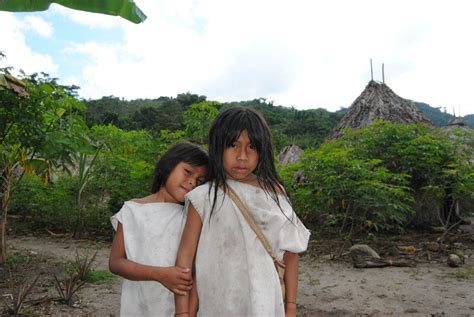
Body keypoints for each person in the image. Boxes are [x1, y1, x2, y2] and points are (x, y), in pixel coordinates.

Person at [175, 108, 310, 317]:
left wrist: (290, 306)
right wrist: (183, 313)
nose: (242, 156)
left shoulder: (275, 193)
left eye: (252, 147)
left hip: (264, 301)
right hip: (217, 302)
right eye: (233, 145)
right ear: (217, 146)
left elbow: (290, 253)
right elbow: (186, 260)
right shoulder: (203, 197)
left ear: (262, 151)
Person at [109, 142, 208, 317]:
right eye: (188, 172)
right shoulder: (132, 210)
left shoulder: (193, 218)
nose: (192, 182)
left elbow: (195, 272)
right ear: (168, 164)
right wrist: (160, 274)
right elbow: (116, 263)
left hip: (176, 310)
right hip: (138, 306)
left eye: (200, 181)